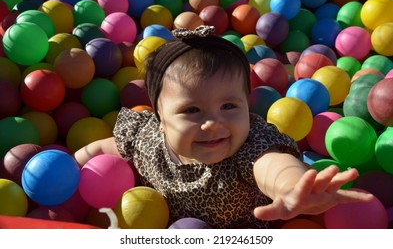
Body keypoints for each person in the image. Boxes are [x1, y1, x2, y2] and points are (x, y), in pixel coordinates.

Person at [74, 25, 373, 229]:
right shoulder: (146, 138)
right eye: (191, 110)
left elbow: (273, 166)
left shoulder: (249, 147)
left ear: (247, 103)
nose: (213, 123)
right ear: (160, 119)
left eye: (229, 106)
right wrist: (73, 164)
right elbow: (105, 149)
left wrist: (293, 189)